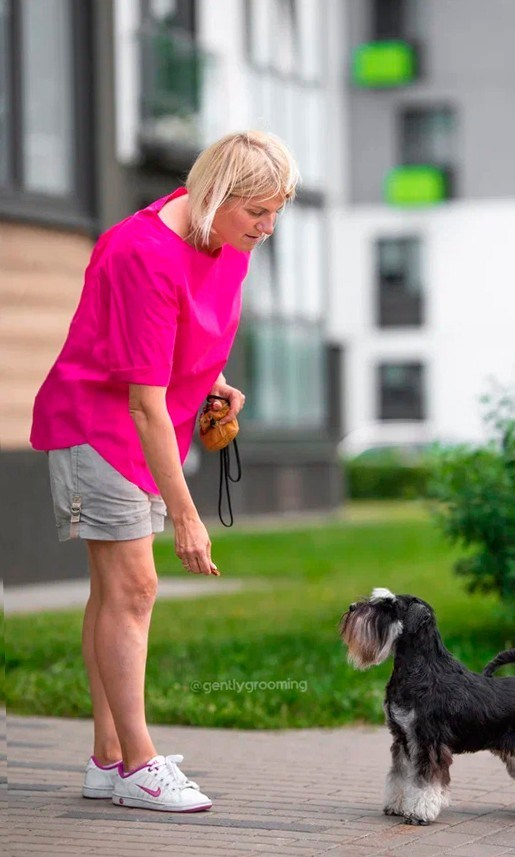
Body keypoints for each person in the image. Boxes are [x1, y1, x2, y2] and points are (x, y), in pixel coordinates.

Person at [30, 130, 300, 812]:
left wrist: (213, 379)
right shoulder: (141, 251)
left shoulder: (224, 238)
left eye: (277, 211)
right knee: (137, 587)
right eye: (258, 213)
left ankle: (108, 758)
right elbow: (142, 403)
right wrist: (187, 516)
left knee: (114, 590)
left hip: (151, 423)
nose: (268, 228)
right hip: (101, 424)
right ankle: (140, 765)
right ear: (216, 195)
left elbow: (186, 332)